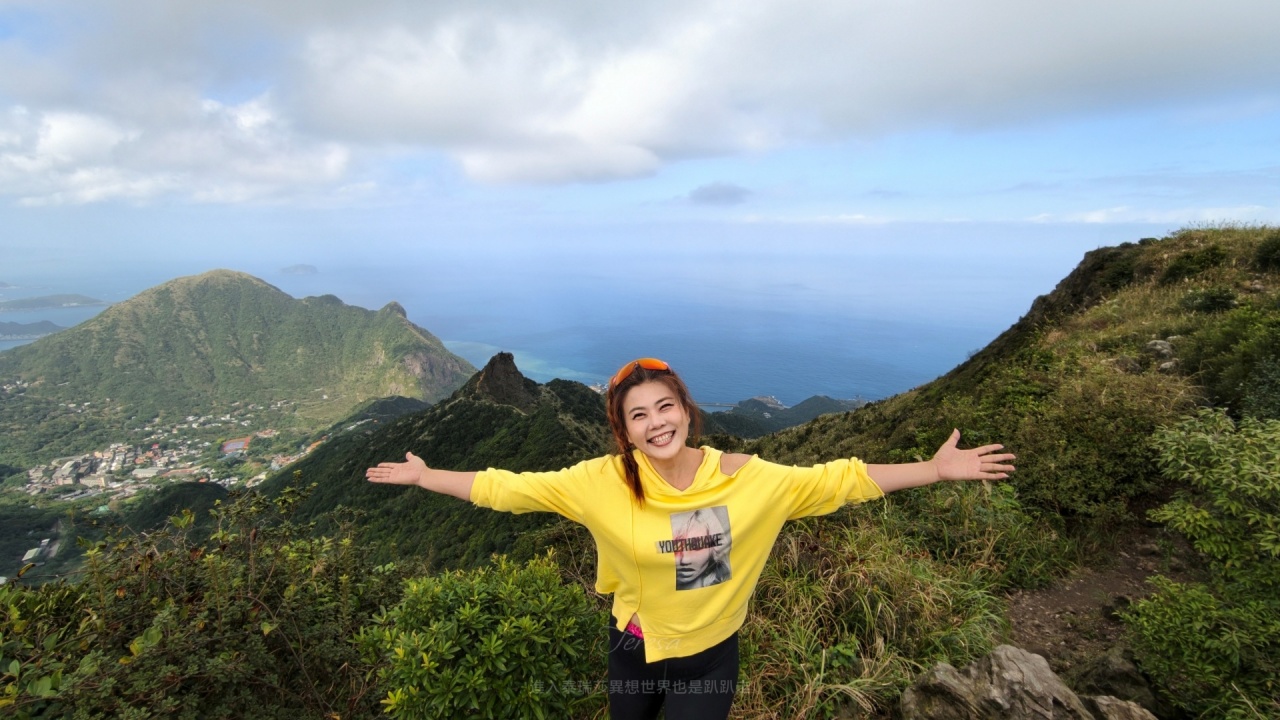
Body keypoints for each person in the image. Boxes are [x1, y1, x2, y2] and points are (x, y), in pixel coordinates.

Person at [366, 357, 1015, 720]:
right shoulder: (600, 482)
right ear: (624, 431)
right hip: (631, 648)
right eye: (637, 415)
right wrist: (428, 477)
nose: (655, 423)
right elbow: (506, 488)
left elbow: (839, 480)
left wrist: (934, 470)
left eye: (664, 407)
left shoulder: (748, 480)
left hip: (707, 659)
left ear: (685, 410)